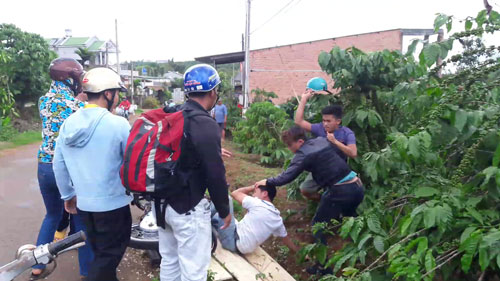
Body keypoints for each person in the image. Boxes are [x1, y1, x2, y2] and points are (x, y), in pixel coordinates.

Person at [53, 67, 133, 281]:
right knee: (108, 257)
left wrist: (68, 195)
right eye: (117, 93)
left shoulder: (68, 123)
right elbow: (132, 162)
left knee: (100, 253)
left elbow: (58, 165)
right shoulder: (118, 124)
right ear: (108, 93)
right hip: (113, 206)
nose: (117, 99)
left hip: (85, 206)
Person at [157, 64, 231, 281]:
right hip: (187, 207)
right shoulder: (205, 123)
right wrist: (224, 208)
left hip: (162, 203)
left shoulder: (175, 114)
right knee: (194, 271)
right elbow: (215, 173)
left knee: (169, 260)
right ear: (212, 92)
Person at [33, 58, 93, 280]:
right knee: (80, 221)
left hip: (44, 166)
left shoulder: (43, 101)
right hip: (67, 168)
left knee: (51, 215)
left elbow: (61, 109)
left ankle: (37, 264)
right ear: (70, 79)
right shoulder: (80, 107)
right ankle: (87, 271)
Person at [255, 126, 364, 246]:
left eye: (290, 145)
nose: (290, 149)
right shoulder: (321, 140)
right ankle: (361, 246)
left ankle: (320, 264)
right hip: (357, 185)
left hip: (341, 191)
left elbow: (286, 177)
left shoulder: (303, 154)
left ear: (300, 142)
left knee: (317, 226)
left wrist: (267, 181)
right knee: (351, 219)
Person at [294, 77, 357, 200]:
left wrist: (335, 142)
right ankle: (325, 200)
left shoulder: (347, 133)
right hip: (320, 168)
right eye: (323, 121)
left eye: (328, 121)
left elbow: (353, 153)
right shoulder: (320, 129)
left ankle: (334, 205)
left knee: (339, 193)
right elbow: (299, 121)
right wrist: (303, 100)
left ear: (338, 121)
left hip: (338, 170)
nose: (325, 124)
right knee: (305, 189)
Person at [211, 185, 299, 254]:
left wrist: (254, 186)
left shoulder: (258, 203)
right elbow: (286, 239)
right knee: (219, 215)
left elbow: (234, 193)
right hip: (239, 245)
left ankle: (199, 218)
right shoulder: (278, 219)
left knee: (225, 198)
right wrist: (298, 252)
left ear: (264, 193)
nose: (253, 195)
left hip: (231, 240)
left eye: (255, 192)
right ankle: (207, 218)